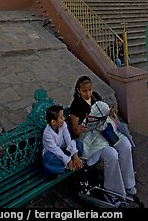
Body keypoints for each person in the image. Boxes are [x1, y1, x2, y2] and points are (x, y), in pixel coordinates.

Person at [69, 75, 140, 204]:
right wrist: (80, 128)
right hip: (91, 140)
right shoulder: (76, 105)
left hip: (105, 132)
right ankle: (115, 190)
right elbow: (74, 130)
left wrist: (110, 113)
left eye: (89, 90)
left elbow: (104, 113)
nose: (88, 93)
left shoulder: (95, 96)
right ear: (78, 90)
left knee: (125, 145)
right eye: (84, 91)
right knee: (112, 155)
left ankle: (129, 183)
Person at [42, 105, 83, 176]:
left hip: (64, 150)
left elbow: (68, 140)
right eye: (61, 117)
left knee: (78, 144)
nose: (64, 119)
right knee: (48, 160)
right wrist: (68, 161)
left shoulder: (63, 125)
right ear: (53, 122)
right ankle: (68, 166)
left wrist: (75, 155)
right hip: (54, 154)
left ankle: (71, 164)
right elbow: (56, 150)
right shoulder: (47, 134)